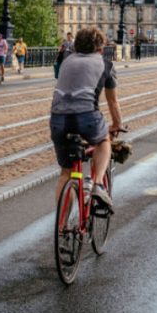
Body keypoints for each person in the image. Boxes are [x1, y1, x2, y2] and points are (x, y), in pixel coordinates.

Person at [50, 27, 123, 211]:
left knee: (66, 173)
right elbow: (112, 102)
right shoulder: (105, 64)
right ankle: (97, 184)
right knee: (103, 140)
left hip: (58, 119)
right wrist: (117, 125)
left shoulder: (67, 60)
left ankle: (62, 223)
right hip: (87, 117)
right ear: (100, 48)